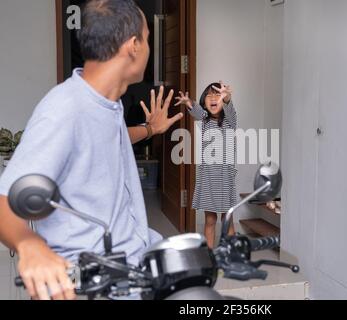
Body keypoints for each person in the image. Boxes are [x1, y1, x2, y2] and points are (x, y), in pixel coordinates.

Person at [0, 0, 183, 300]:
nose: (149, 48)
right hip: (93, 281)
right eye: (148, 38)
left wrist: (151, 129)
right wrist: (31, 247)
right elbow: (5, 201)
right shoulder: (64, 109)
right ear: (133, 45)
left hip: (135, 262)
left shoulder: (105, 102)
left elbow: (105, 138)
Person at [175, 82, 237, 249]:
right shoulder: (205, 119)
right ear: (204, 103)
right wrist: (188, 102)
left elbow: (230, 108)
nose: (213, 98)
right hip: (208, 178)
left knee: (227, 218)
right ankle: (208, 254)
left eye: (217, 95)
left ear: (223, 101)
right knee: (210, 220)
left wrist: (228, 97)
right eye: (209, 96)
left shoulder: (230, 121)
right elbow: (197, 112)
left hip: (225, 178)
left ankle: (232, 253)